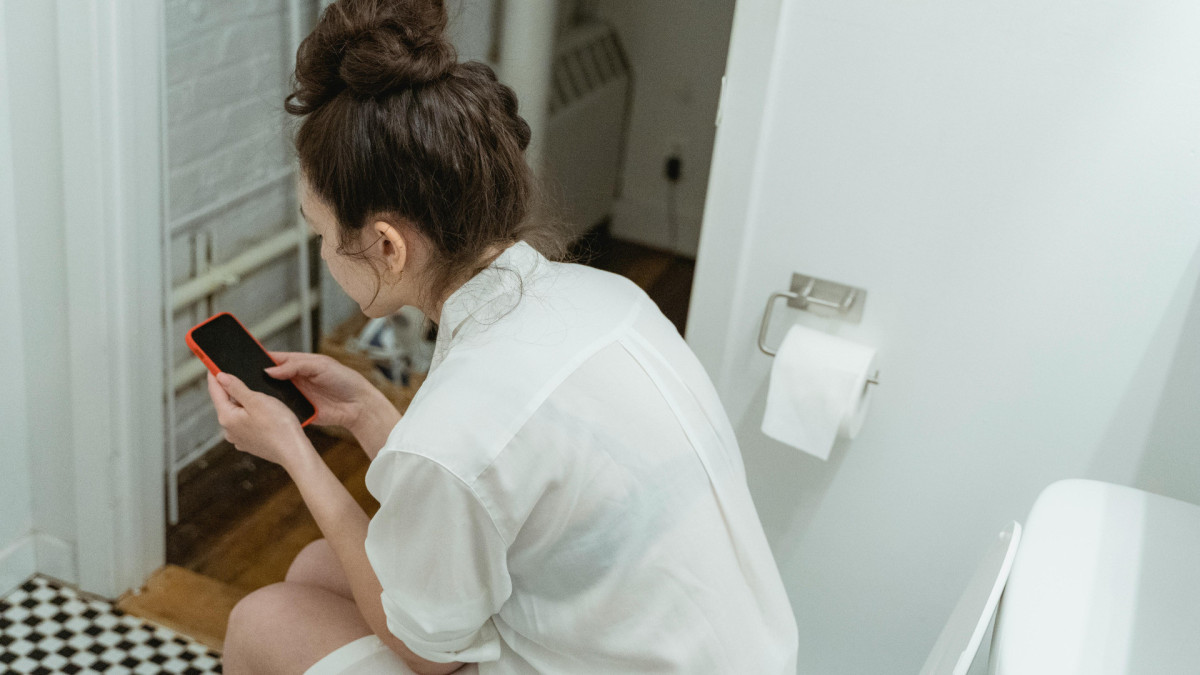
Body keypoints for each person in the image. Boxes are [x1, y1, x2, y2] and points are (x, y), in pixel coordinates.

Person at [205, 0, 799, 673]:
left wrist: (295, 452)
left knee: (262, 620)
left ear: (387, 246)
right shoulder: (608, 299)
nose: (321, 251)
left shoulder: (459, 421)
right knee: (319, 566)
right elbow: (493, 482)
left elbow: (426, 653)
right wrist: (369, 412)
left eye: (320, 232)